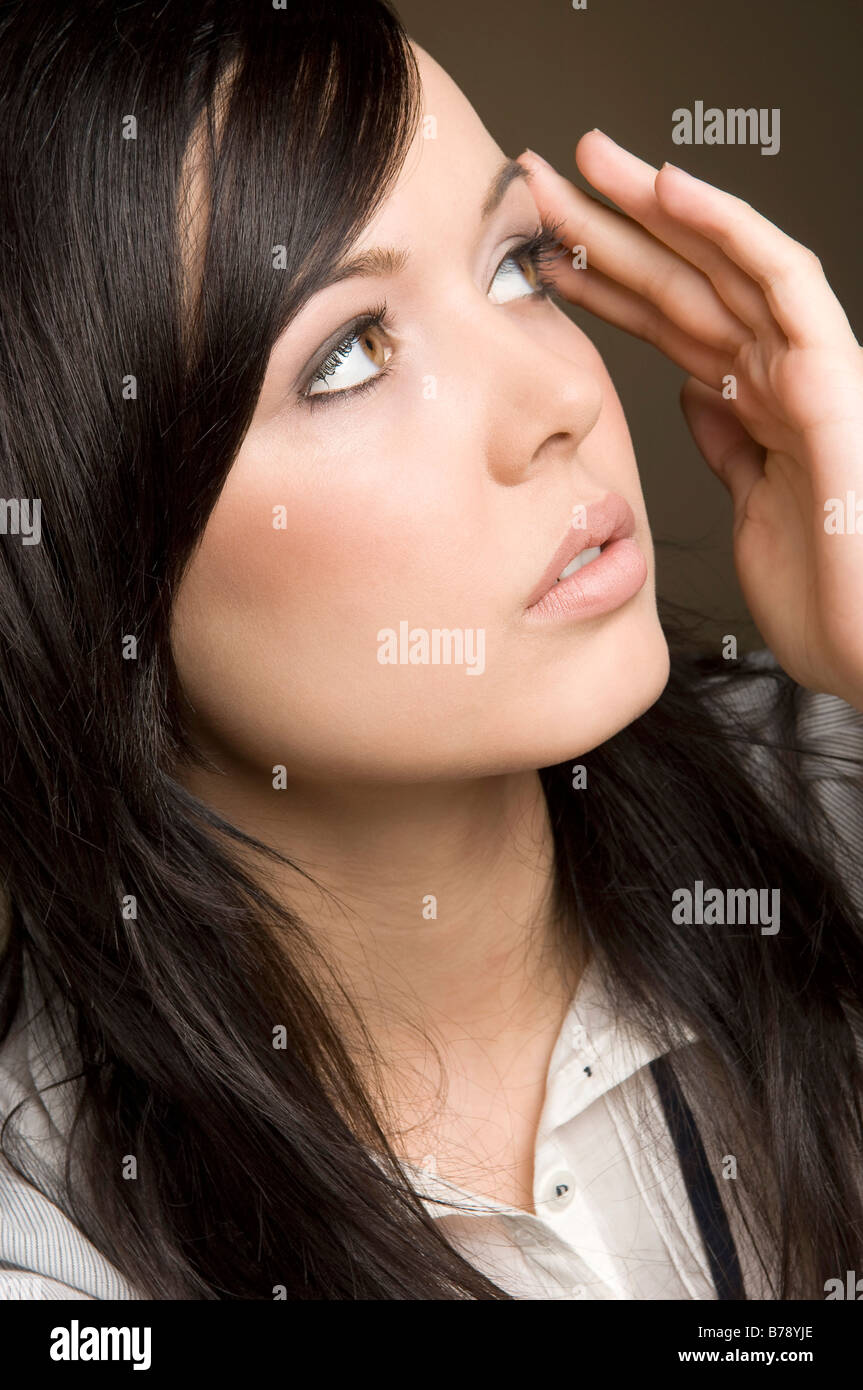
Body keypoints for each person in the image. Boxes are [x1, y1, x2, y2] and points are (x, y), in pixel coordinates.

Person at [1, 0, 862, 1301]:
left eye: (517, 264)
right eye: (349, 352)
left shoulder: (825, 798)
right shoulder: (58, 1252)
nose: (563, 400)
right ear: (87, 553)